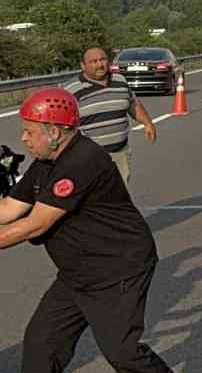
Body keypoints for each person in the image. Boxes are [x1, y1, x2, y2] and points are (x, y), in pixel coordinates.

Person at [1, 88, 171, 372]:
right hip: (77, 272)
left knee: (123, 353)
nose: (23, 138)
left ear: (54, 132)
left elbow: (33, 226)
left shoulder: (81, 161)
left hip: (116, 270)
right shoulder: (45, 163)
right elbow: (8, 208)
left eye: (29, 131)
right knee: (41, 347)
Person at [63, 48, 156, 186]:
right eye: (93, 61)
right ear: (83, 65)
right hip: (88, 158)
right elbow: (62, 124)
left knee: (116, 196)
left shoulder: (120, 80)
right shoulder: (71, 90)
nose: (100, 65)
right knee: (92, 196)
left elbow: (132, 103)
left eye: (103, 60)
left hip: (119, 154)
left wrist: (147, 123)